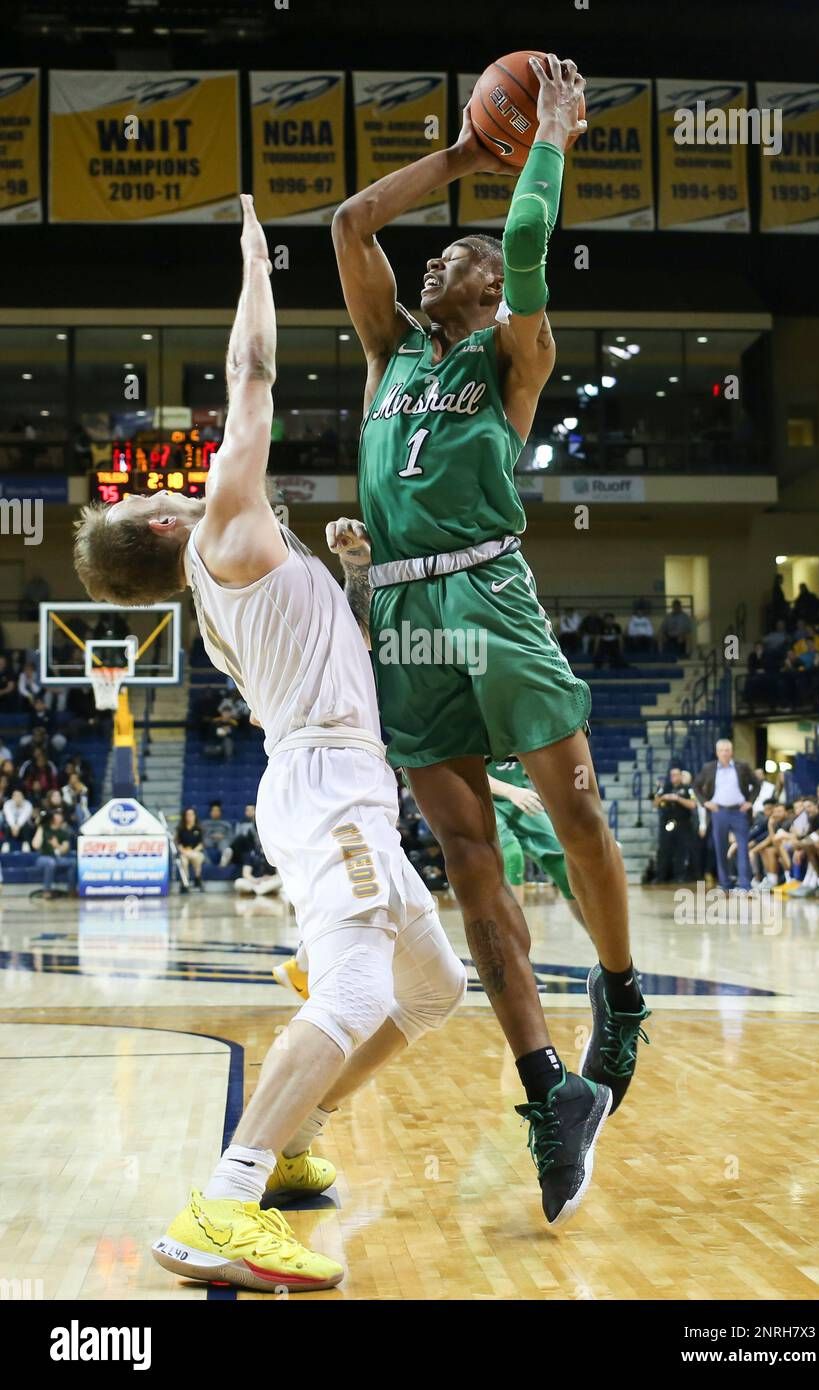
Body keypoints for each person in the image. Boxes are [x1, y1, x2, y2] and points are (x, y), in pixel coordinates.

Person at [72, 194, 466, 1294]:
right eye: (162, 489)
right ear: (162, 525)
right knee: (345, 996)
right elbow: (252, 378)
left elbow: (319, 656)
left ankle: (294, 1134)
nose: (176, 484)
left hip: (338, 778)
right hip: (330, 790)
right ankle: (222, 1205)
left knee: (431, 989)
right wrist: (256, 259)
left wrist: (344, 577)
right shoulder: (223, 528)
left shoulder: (233, 568)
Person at [332, 52, 647, 1227]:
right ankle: (544, 1090)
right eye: (439, 254)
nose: (438, 259)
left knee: (571, 810)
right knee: (467, 856)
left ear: (485, 292)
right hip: (405, 612)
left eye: (455, 255)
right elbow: (350, 219)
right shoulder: (385, 354)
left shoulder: (510, 357)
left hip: (488, 594)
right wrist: (461, 154)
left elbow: (523, 255)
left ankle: (619, 995)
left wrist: (545, 141)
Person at [487, 757, 585, 921]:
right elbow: (465, 770)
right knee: (512, 855)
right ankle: (514, 939)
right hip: (482, 798)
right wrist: (511, 791)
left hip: (520, 794)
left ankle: (599, 940)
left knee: (563, 865)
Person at [694, 739, 760, 892]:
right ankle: (725, 884)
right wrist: (705, 803)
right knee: (720, 848)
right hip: (719, 812)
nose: (725, 753)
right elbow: (696, 786)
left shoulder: (742, 766)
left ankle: (745, 885)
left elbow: (756, 784)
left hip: (739, 811)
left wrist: (750, 801)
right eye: (722, 750)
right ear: (717, 752)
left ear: (732, 751)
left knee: (742, 848)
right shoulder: (708, 768)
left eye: (727, 750)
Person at [652, 767, 696, 883]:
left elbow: (692, 804)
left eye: (676, 775)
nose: (673, 777)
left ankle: (680, 876)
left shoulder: (687, 789)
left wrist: (677, 799)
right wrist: (662, 797)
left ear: (681, 776)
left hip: (682, 823)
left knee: (681, 850)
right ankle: (661, 876)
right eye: (671, 775)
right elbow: (655, 804)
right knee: (664, 850)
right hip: (667, 823)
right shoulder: (665, 788)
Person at [32, 808, 77, 898]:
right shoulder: (44, 829)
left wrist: (56, 845)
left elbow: (65, 849)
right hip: (43, 858)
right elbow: (35, 845)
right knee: (50, 862)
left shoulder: (64, 832)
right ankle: (47, 890)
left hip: (57, 858)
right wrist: (40, 827)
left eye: (60, 815)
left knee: (73, 862)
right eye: (56, 815)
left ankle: (71, 890)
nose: (58, 817)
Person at [176, 807, 206, 892]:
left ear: (195, 816)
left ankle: (198, 878)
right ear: (184, 816)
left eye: (191, 814)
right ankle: (185, 883)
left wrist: (192, 851)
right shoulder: (181, 829)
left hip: (195, 851)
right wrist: (183, 851)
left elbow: (201, 844)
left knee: (197, 858)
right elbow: (178, 844)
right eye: (188, 815)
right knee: (183, 861)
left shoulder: (199, 828)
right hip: (184, 852)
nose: (189, 816)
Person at [2, 787, 35, 852]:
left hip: (23, 827)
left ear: (23, 796)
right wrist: (13, 826)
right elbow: (9, 816)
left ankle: (26, 843)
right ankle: (5, 843)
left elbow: (24, 817)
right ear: (12, 797)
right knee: (6, 824)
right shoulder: (8, 804)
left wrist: (17, 826)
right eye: (15, 795)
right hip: (11, 827)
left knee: (26, 825)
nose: (17, 798)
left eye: (19, 795)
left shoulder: (28, 804)